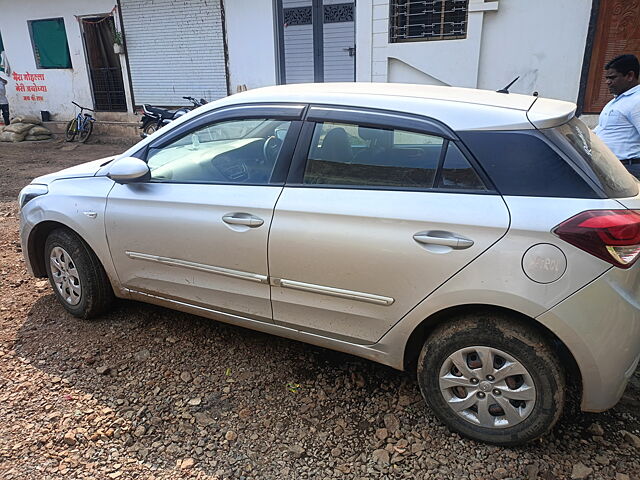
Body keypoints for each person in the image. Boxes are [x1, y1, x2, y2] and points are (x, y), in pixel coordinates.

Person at [593, 54, 640, 178]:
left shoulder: (637, 101)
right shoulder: (616, 101)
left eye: (612, 78)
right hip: (611, 168)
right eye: (607, 78)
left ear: (630, 75)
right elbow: (602, 130)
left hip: (628, 169)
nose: (607, 82)